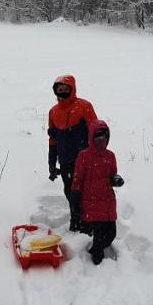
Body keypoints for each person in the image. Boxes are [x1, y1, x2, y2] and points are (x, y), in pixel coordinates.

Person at [70, 120, 124, 265]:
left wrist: (116, 179)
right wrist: (75, 198)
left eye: (104, 138)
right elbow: (77, 179)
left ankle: (97, 247)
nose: (101, 141)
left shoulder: (110, 156)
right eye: (98, 138)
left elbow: (112, 175)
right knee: (100, 234)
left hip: (107, 201)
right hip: (91, 202)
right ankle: (96, 254)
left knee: (111, 233)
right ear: (92, 138)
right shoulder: (84, 156)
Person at [47, 75, 97, 232]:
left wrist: (96, 155)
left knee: (85, 191)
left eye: (65, 89)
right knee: (69, 190)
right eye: (59, 89)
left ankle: (88, 222)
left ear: (72, 89)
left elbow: (96, 131)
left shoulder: (84, 106)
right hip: (65, 159)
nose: (62, 92)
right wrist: (51, 162)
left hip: (84, 158)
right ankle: (76, 219)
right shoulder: (53, 112)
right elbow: (53, 140)